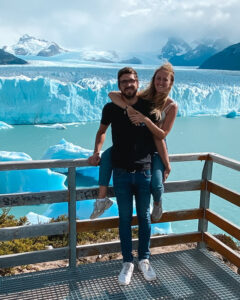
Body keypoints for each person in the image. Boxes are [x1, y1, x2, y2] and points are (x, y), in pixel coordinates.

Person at [88, 67, 158, 285]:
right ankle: (127, 262)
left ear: (138, 83)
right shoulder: (110, 108)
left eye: (132, 80)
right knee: (125, 219)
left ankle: (144, 259)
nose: (129, 84)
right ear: (119, 85)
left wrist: (164, 163)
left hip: (145, 171)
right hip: (121, 174)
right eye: (124, 81)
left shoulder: (147, 106)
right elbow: (101, 132)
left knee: (145, 218)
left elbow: (160, 135)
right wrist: (97, 151)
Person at [89, 63, 177, 221]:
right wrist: (128, 108)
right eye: (158, 78)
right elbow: (112, 94)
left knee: (157, 185)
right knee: (109, 155)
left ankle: (157, 203)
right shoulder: (145, 97)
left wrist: (167, 163)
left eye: (165, 79)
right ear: (153, 79)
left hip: (157, 145)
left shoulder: (171, 105)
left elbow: (161, 135)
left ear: (171, 82)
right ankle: (101, 199)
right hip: (140, 144)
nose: (161, 82)